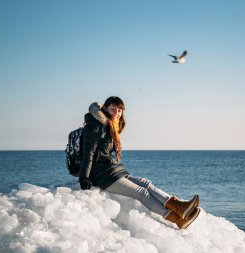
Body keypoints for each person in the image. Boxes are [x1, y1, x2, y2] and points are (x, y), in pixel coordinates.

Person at [79, 96, 201, 229]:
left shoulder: (110, 127)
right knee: (141, 192)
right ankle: (177, 219)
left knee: (146, 183)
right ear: (105, 109)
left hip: (113, 171)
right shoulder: (95, 126)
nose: (117, 113)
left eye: (119, 110)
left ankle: (180, 207)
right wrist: (84, 177)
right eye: (113, 109)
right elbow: (88, 153)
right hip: (101, 176)